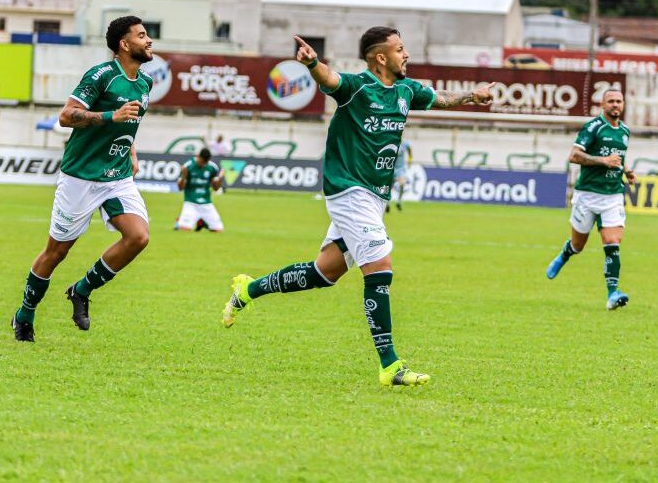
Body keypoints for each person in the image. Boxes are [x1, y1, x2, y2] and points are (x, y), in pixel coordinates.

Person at [222, 27, 494, 386]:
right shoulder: (357, 87)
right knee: (379, 264)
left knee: (324, 273)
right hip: (348, 191)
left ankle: (247, 290)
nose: (406, 54)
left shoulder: (406, 91)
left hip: (374, 197)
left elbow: (439, 98)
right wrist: (313, 63)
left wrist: (471, 97)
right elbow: (330, 79)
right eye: (400, 49)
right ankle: (390, 365)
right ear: (381, 58)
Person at [11, 15, 153, 342]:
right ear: (124, 43)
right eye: (142, 35)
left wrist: (130, 150)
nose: (149, 41)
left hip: (116, 176)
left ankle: (82, 289)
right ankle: (25, 314)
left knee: (138, 237)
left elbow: (129, 124)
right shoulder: (101, 75)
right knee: (56, 252)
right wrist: (108, 115)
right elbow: (65, 116)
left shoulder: (145, 83)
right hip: (81, 177)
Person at [545, 89, 636, 310]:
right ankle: (566, 253)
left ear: (623, 104)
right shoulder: (593, 127)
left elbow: (618, 157)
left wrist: (626, 170)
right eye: (611, 101)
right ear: (603, 105)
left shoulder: (624, 131)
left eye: (619, 101)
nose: (615, 105)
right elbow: (574, 155)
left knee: (612, 243)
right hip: (587, 195)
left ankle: (612, 294)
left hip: (613, 195)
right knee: (578, 245)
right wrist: (602, 161)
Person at [174, 147, 225, 232]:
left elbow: (216, 189)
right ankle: (180, 221)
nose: (203, 164)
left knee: (218, 230)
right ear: (198, 156)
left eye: (205, 162)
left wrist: (220, 178)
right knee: (184, 230)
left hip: (207, 203)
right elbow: (180, 188)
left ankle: (201, 221)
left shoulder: (212, 167)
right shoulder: (188, 166)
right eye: (202, 161)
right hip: (191, 202)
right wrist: (183, 176)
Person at [386, 139, 412, 213]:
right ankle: (387, 204)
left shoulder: (405, 143)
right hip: (391, 168)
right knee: (389, 187)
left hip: (400, 168)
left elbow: (410, 150)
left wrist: (410, 160)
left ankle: (399, 202)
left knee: (402, 184)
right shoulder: (391, 142)